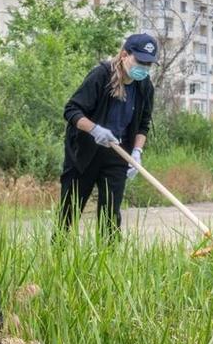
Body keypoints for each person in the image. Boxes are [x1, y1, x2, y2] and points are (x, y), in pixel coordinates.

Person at [57, 33, 156, 237]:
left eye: (149, 64)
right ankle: (58, 253)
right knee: (70, 211)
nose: (144, 68)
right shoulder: (101, 76)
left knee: (111, 215)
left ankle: (108, 260)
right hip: (84, 153)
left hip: (118, 153)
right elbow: (71, 111)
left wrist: (137, 151)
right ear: (124, 55)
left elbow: (143, 124)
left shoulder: (144, 86)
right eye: (140, 61)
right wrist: (94, 129)